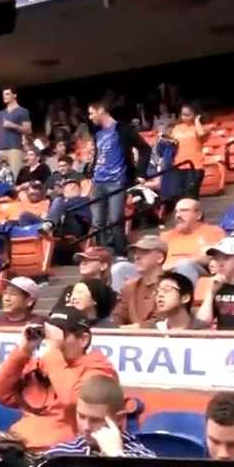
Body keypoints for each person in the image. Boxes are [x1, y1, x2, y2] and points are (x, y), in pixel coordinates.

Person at [0, 308, 118, 452]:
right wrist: (23, 352)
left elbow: (74, 401)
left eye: (59, 336)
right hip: (19, 446)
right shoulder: (45, 364)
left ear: (83, 339)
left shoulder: (98, 369)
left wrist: (53, 352)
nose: (53, 341)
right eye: (49, 335)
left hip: (62, 453)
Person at [86, 100, 151, 256]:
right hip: (98, 182)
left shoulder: (124, 129)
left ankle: (121, 255)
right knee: (98, 223)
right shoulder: (97, 132)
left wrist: (141, 173)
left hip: (116, 181)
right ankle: (102, 256)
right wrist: (92, 172)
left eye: (91, 113)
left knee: (115, 221)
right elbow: (99, 154)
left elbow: (145, 149)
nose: (90, 117)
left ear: (101, 110)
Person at [113, 236, 166, 327]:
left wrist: (138, 327)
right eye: (136, 253)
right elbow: (117, 316)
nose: (136, 257)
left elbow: (164, 319)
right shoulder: (130, 287)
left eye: (144, 252)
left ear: (159, 258)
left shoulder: (171, 287)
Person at [169, 104, 209, 197]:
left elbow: (201, 134)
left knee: (191, 195)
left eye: (188, 115)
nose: (185, 117)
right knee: (179, 196)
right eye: (183, 114)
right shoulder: (177, 128)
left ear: (195, 115)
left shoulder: (202, 128)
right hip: (178, 165)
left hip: (195, 166)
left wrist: (197, 121)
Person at [0, 88, 32, 174]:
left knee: (14, 175)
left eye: (7, 94)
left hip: (15, 148)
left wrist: (12, 125)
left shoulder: (22, 111)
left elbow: (28, 130)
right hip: (0, 149)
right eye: (3, 95)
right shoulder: (0, 113)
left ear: (14, 95)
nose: (4, 97)